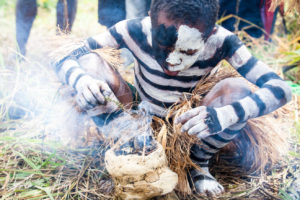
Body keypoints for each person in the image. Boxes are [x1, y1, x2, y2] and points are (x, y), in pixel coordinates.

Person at [54, 0, 292, 196]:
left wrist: (224, 115)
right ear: (151, 19)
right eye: (163, 44)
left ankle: (197, 165)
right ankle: (128, 148)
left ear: (210, 33)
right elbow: (66, 55)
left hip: (189, 126)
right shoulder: (134, 29)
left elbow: (281, 89)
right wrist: (81, 82)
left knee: (237, 88)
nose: (172, 60)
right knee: (90, 63)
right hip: (139, 117)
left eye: (188, 51)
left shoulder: (223, 42)